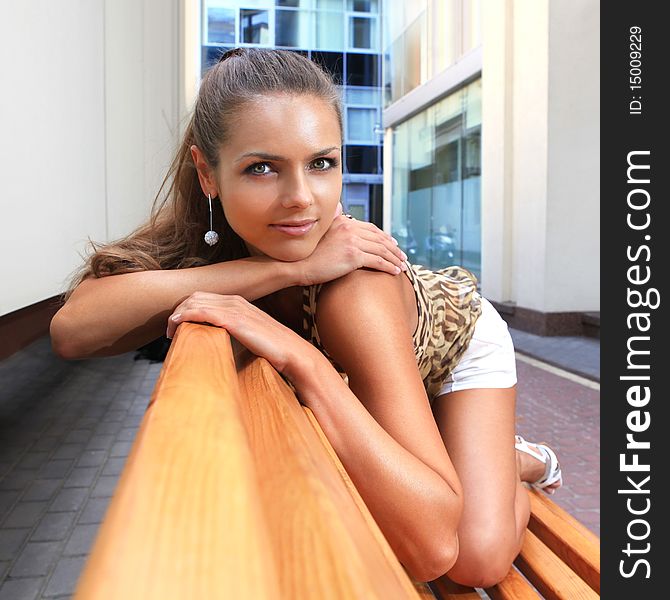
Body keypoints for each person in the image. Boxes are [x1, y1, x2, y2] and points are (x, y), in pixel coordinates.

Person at [50, 48, 561, 586]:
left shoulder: (354, 290)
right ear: (208, 172)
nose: (300, 199)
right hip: (378, 372)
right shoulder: (219, 244)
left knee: (473, 559)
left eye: (321, 163)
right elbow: (73, 331)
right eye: (262, 168)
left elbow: (434, 544)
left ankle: (517, 460)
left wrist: (302, 360)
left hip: (453, 348)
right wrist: (282, 272)